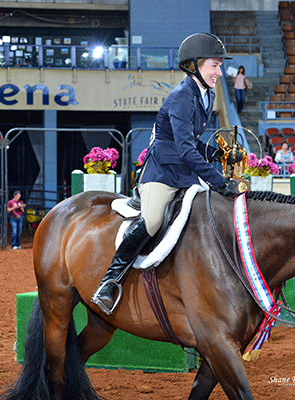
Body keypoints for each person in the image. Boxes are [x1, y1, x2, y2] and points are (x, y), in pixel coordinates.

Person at [92, 33, 240, 315]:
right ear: (194, 65)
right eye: (214, 65)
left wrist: (218, 154)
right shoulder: (183, 97)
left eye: (220, 66)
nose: (219, 72)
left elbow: (191, 141)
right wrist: (220, 181)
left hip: (183, 173)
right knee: (153, 221)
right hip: (161, 172)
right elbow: (184, 149)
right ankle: (110, 281)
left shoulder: (204, 96)